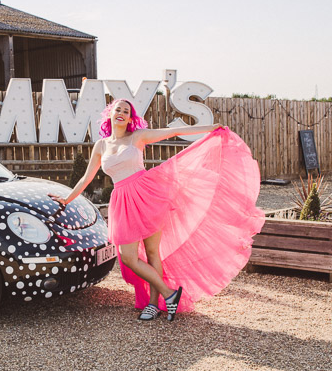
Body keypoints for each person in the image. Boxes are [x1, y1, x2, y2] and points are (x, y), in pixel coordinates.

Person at [50, 98, 265, 322]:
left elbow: (172, 132)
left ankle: (154, 305)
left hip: (146, 194)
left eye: (126, 111)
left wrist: (209, 128)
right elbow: (86, 178)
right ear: (110, 115)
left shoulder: (138, 137)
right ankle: (169, 293)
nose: (122, 113)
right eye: (118, 110)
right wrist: (67, 199)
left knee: (153, 253)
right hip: (122, 200)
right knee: (129, 257)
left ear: (131, 118)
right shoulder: (101, 146)